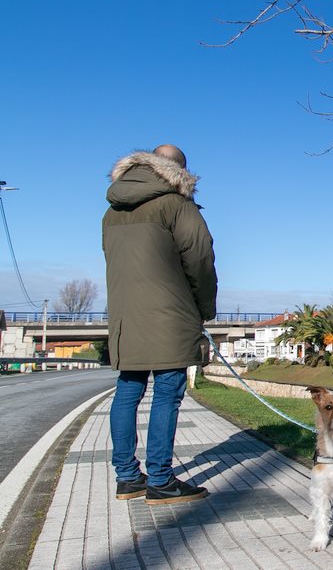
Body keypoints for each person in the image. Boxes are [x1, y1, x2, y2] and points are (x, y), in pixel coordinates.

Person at [102, 144, 218, 504]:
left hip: (124, 315)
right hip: (170, 313)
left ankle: (127, 478)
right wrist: (204, 308)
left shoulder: (112, 210)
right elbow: (200, 258)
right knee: (167, 392)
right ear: (179, 171)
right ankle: (162, 481)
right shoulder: (177, 204)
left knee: (128, 391)